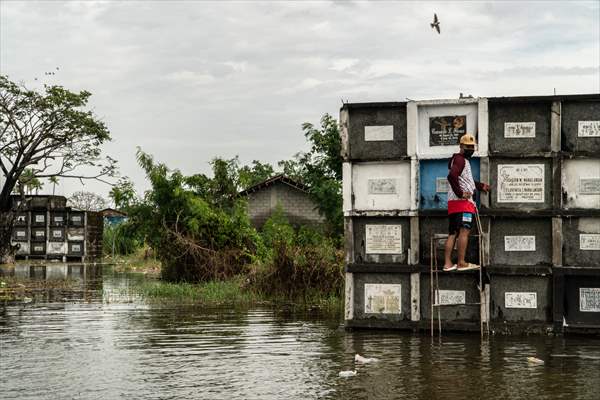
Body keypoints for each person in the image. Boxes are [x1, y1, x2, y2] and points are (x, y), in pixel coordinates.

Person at [443, 134, 490, 272]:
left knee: (453, 233)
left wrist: (481, 186)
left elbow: (466, 181)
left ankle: (447, 264)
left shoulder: (457, 160)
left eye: (472, 147)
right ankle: (461, 262)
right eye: (467, 146)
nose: (470, 149)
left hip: (453, 204)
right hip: (463, 204)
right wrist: (461, 193)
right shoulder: (460, 159)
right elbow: (452, 176)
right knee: (464, 231)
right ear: (461, 146)